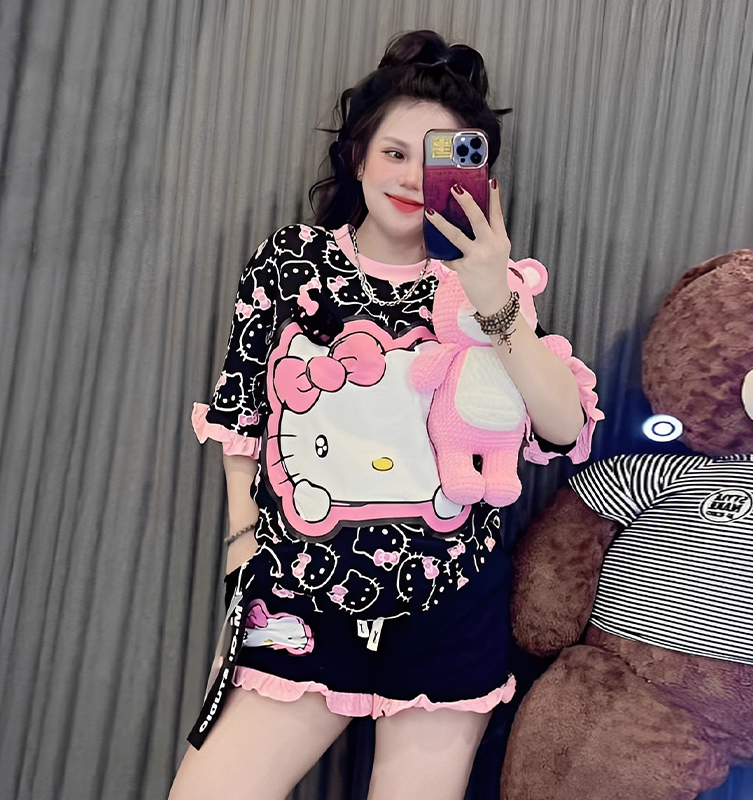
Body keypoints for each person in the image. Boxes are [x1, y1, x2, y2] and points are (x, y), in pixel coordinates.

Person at [169, 30, 599, 800]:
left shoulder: (492, 290)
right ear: (358, 156)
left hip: (450, 604)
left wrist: (492, 292)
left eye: (436, 160)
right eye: (394, 153)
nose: (409, 178)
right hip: (301, 599)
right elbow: (242, 413)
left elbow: (562, 428)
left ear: (474, 177)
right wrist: (242, 544)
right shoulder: (290, 262)